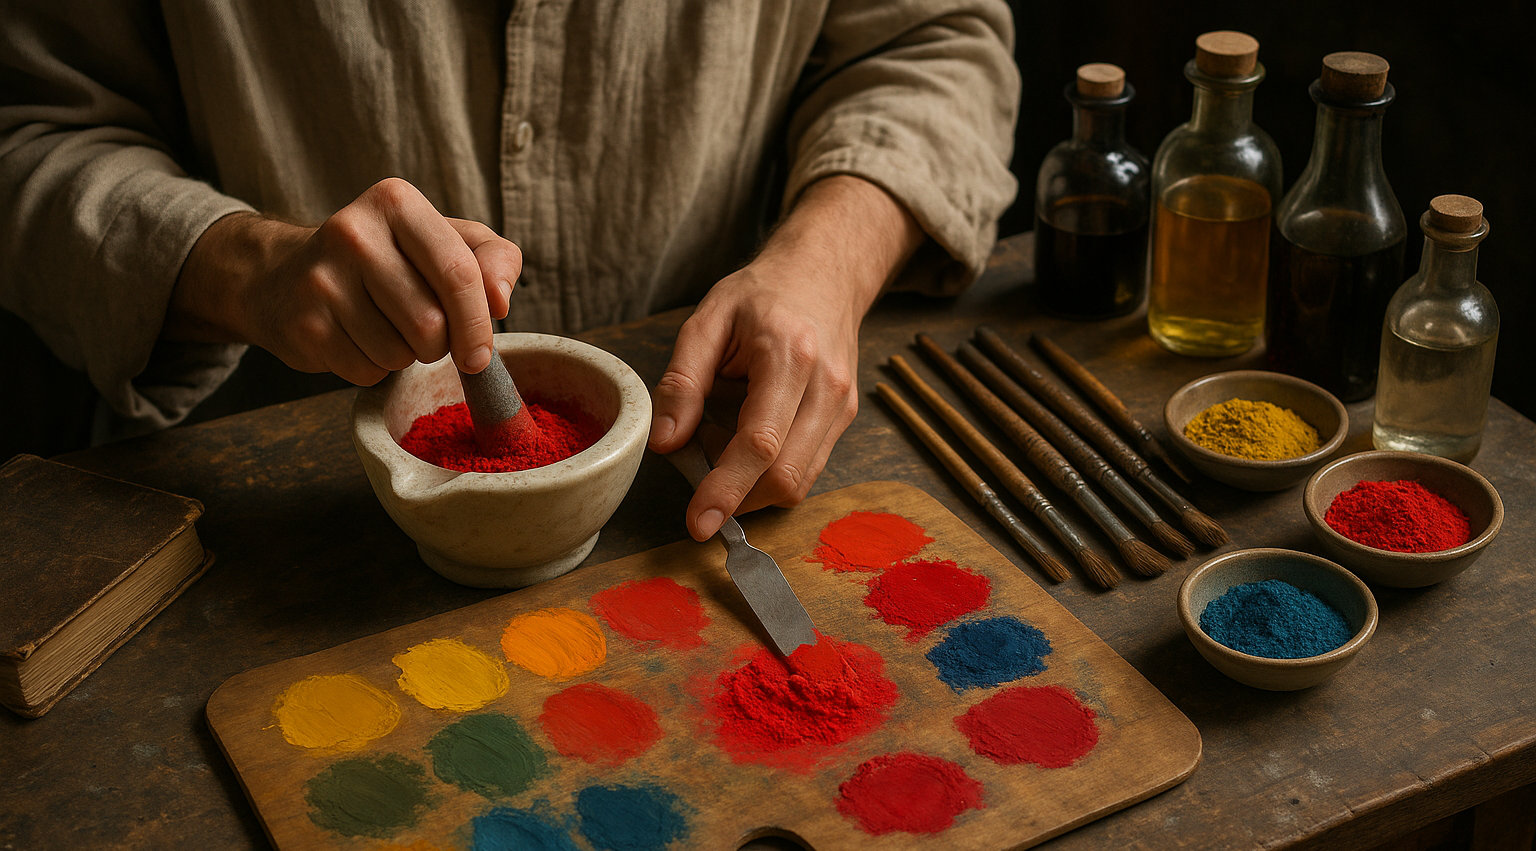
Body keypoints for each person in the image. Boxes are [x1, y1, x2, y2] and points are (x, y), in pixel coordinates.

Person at [0, 1, 1019, 540]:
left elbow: (937, 41)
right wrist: (243, 266)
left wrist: (827, 260)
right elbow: (31, 134)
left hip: (697, 449)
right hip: (273, 505)